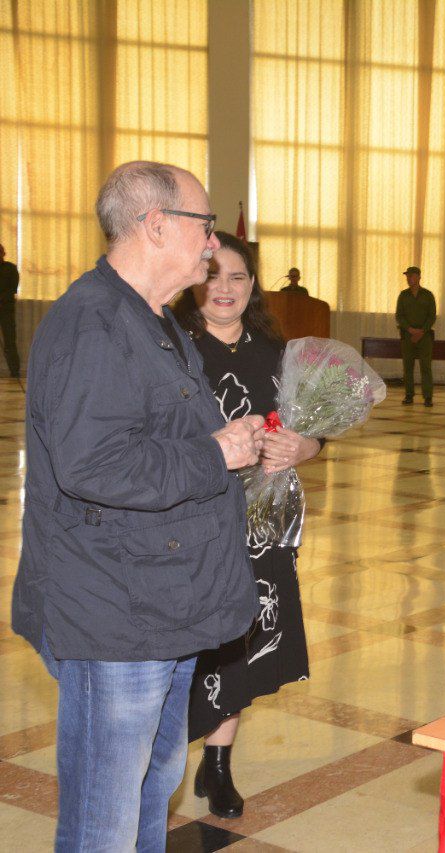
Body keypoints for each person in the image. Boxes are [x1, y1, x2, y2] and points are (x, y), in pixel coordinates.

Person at [10, 161, 263, 850]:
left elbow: (158, 436)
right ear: (157, 226)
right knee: (105, 817)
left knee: (150, 794)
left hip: (158, 605)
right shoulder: (93, 324)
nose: (213, 243)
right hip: (113, 617)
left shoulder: (151, 319)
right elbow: (94, 465)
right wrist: (216, 453)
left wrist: (227, 442)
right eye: (205, 226)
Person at [173, 232, 323, 819]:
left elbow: (313, 428)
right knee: (195, 637)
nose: (225, 289)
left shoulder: (273, 351)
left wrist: (302, 446)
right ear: (194, 281)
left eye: (237, 278)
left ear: (253, 286)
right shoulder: (175, 349)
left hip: (261, 522)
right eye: (213, 277)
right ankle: (167, 755)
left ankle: (218, 764)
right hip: (193, 518)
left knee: (243, 637)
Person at [396, 265, 436, 406]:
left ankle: (428, 397)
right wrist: (409, 329)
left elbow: (432, 316)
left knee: (425, 367)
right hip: (408, 336)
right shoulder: (403, 295)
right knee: (408, 367)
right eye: (407, 276)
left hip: (424, 336)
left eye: (411, 275)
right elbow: (399, 316)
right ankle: (409, 395)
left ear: (419, 277)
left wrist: (421, 331)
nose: (409, 278)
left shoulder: (428, 295)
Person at [0, 243, 19, 376]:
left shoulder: (11, 268)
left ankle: (14, 371)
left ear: (3, 253)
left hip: (6, 310)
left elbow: (13, 288)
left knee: (10, 342)